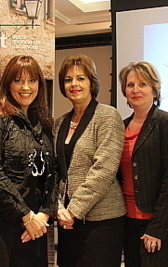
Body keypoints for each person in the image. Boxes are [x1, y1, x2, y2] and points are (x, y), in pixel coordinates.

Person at [0, 55, 58, 267]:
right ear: (7, 84)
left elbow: (54, 173)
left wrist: (44, 215)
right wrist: (25, 216)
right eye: (18, 80)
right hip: (4, 222)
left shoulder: (44, 123)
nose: (26, 87)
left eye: (32, 81)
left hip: (37, 224)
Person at [55, 55, 126, 267]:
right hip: (68, 221)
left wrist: (73, 210)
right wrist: (59, 207)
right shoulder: (59, 123)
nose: (74, 84)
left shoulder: (108, 116)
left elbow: (104, 170)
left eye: (80, 78)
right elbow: (55, 170)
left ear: (92, 82)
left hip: (102, 221)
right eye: (68, 79)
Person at [118, 61, 168, 267]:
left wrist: (156, 227)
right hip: (128, 217)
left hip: (158, 219)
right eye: (130, 85)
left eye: (143, 84)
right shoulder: (121, 126)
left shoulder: (167, 122)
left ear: (155, 90)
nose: (136, 90)